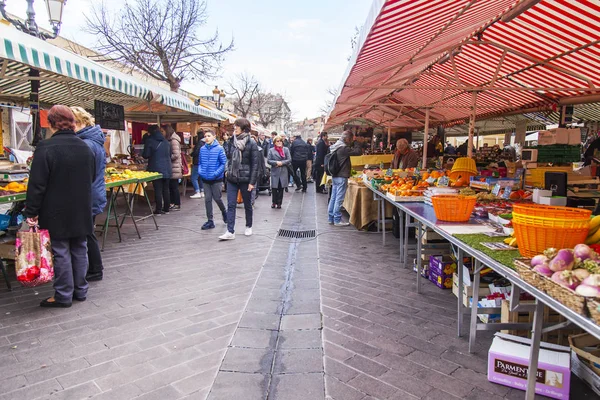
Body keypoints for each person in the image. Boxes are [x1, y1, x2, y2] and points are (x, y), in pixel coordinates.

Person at [24, 105, 95, 307]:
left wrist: (31, 211)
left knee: (61, 250)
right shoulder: (85, 147)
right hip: (81, 207)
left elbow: (37, 185)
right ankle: (80, 291)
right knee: (80, 248)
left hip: (55, 209)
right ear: (72, 122)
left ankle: (63, 295)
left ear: (50, 123)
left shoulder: (46, 148)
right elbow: (91, 177)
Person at [70, 107, 106, 282]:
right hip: (94, 192)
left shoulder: (86, 144)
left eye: (73, 123)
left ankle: (95, 270)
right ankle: (95, 268)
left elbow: (85, 174)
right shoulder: (94, 141)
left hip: (88, 194)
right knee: (89, 232)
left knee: (87, 233)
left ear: (81, 122)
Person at [219, 118, 259, 240]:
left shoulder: (251, 143)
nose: (234, 128)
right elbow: (228, 158)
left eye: (236, 126)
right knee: (231, 204)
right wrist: (226, 171)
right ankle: (230, 231)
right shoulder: (231, 141)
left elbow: (255, 164)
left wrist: (252, 182)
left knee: (247, 204)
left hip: (246, 179)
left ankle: (248, 226)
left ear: (243, 128)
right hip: (232, 177)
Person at [328, 130, 362, 226]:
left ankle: (331, 218)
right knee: (339, 198)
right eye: (351, 139)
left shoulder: (335, 146)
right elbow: (358, 152)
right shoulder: (343, 148)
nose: (351, 141)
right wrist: (356, 141)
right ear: (347, 138)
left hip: (335, 175)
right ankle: (337, 220)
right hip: (341, 176)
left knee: (333, 197)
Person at [198, 130, 227, 230]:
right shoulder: (202, 149)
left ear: (214, 137)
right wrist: (200, 172)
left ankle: (224, 211)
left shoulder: (219, 149)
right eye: (205, 136)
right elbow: (200, 162)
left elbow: (223, 163)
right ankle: (210, 220)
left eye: (209, 136)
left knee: (217, 198)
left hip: (216, 179)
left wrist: (215, 174)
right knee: (207, 199)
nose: (206, 138)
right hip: (205, 178)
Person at [142, 125, 172, 215]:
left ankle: (158, 209)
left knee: (158, 189)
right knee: (166, 189)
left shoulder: (150, 141)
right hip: (167, 167)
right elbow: (169, 155)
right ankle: (166, 208)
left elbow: (146, 155)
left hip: (156, 168)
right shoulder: (166, 142)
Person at [267, 135, 292, 209]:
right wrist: (276, 163)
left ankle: (279, 203)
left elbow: (289, 159)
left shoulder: (286, 149)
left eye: (280, 141)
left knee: (281, 188)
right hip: (275, 171)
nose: (279, 142)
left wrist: (282, 163)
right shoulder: (271, 150)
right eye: (277, 141)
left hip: (283, 171)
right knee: (274, 188)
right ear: (274, 142)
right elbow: (269, 160)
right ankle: (274, 202)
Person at [165, 126, 183, 211]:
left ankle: (177, 204)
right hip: (173, 166)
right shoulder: (171, 140)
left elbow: (176, 154)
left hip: (174, 167)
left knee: (174, 187)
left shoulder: (173, 141)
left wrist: (167, 157)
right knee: (172, 186)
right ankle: (173, 203)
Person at [190, 130, 205, 199]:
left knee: (193, 178)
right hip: (202, 162)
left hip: (197, 162)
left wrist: (191, 154)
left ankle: (197, 191)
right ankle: (202, 191)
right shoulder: (205, 143)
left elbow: (196, 152)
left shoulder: (200, 143)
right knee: (200, 177)